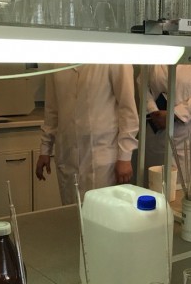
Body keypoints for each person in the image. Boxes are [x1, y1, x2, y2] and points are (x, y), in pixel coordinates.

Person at [35, 64, 138, 205]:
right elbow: (52, 109)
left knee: (101, 212)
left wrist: (125, 156)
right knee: (72, 211)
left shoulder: (114, 56)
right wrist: (45, 149)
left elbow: (127, 109)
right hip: (67, 156)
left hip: (103, 157)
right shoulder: (56, 60)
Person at [141, 63, 191, 178]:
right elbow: (142, 82)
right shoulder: (156, 54)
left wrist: (175, 114)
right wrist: (152, 109)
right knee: (155, 183)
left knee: (185, 185)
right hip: (158, 133)